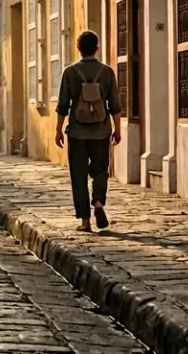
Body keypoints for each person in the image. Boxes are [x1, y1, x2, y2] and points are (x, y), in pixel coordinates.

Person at [55, 30, 123, 232]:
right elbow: (115, 105)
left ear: (79, 49)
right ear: (97, 48)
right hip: (101, 131)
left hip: (77, 133)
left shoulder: (70, 72)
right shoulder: (107, 72)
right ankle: (99, 202)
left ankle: (85, 221)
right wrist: (117, 129)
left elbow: (62, 105)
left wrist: (58, 130)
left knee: (79, 176)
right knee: (101, 171)